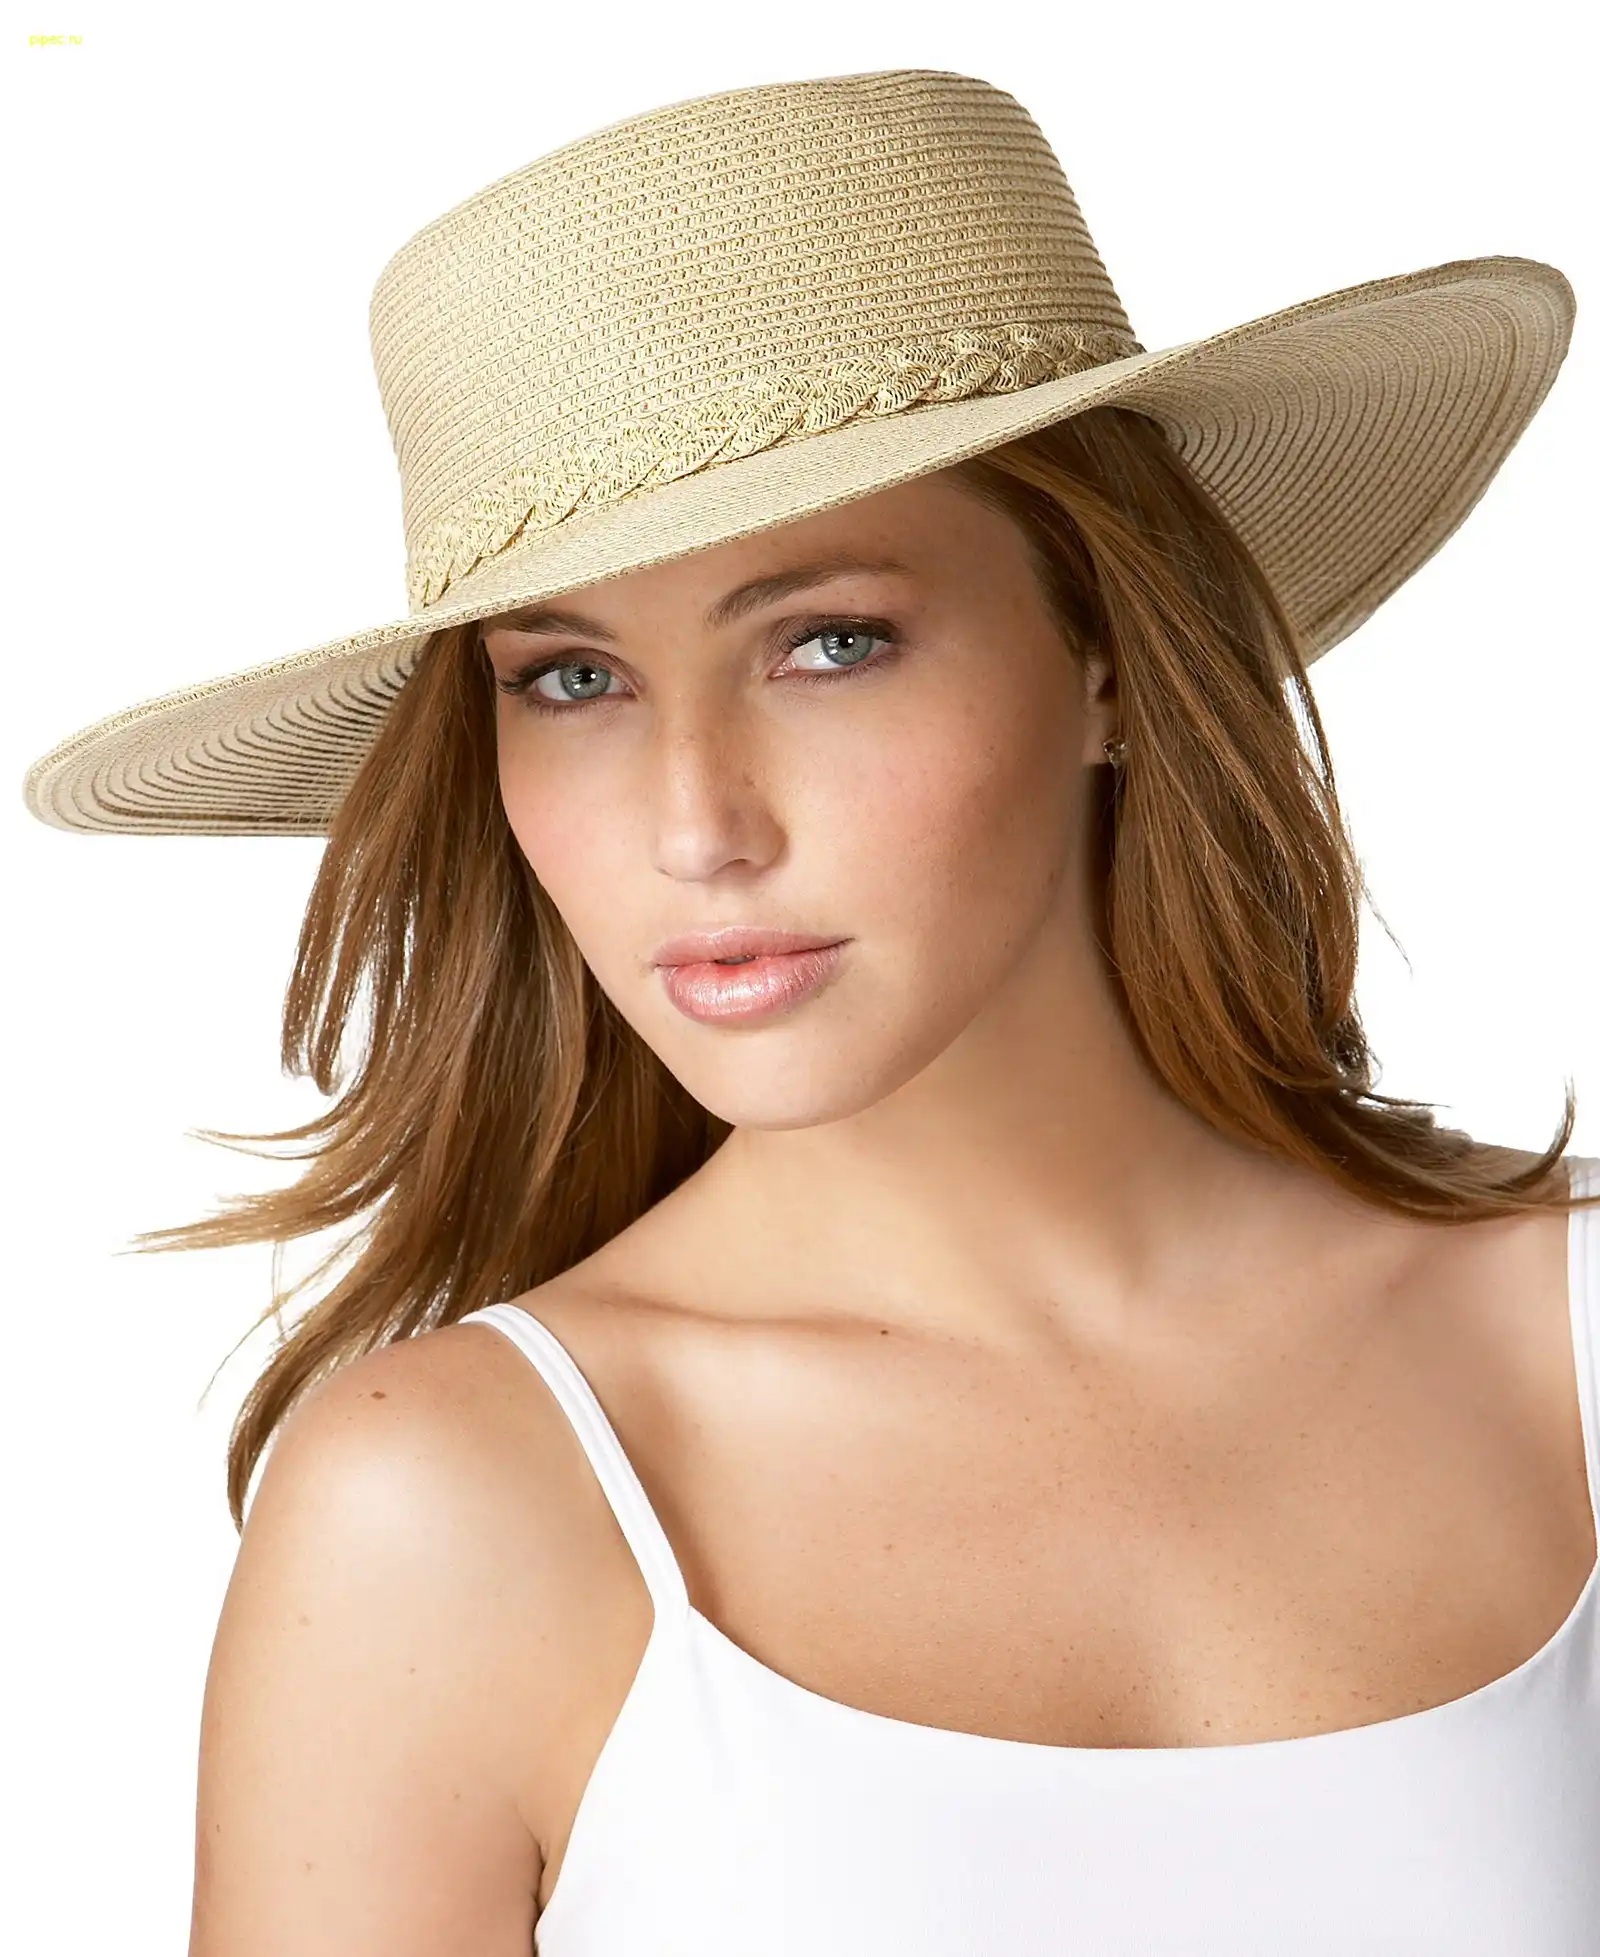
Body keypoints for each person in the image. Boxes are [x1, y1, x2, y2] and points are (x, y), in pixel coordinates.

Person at [21, 67, 1597, 1956]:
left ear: (1107, 655)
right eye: (573, 681)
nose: (698, 826)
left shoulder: (1562, 1342)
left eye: (829, 643)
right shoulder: (447, 1513)